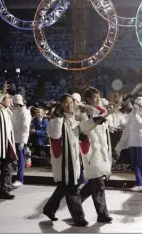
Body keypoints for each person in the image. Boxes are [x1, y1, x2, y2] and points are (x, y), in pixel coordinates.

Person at [43, 94, 103, 227]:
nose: (69, 105)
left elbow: (81, 128)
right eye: (66, 102)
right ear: (61, 104)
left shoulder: (73, 119)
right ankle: (79, 218)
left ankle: (49, 208)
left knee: (64, 187)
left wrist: (95, 121)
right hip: (65, 161)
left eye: (71, 102)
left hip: (74, 159)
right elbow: (55, 134)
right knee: (72, 189)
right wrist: (58, 117)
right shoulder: (55, 119)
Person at [78, 87, 113, 223]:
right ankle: (102, 214)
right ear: (87, 99)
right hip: (92, 151)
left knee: (94, 182)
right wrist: (95, 120)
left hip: (102, 151)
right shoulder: (82, 113)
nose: (97, 99)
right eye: (94, 97)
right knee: (98, 184)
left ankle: (75, 202)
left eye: (98, 97)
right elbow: (83, 128)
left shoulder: (102, 112)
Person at [125, 97, 142, 193]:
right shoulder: (133, 113)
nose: (135, 106)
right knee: (135, 163)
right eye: (135, 104)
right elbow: (125, 121)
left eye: (137, 105)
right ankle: (139, 183)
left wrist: (136, 115)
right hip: (133, 141)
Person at [12, 94, 31, 187]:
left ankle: (20, 179)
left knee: (21, 160)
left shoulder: (25, 113)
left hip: (19, 139)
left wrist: (23, 141)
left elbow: (25, 128)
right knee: (17, 160)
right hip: (15, 138)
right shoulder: (17, 111)